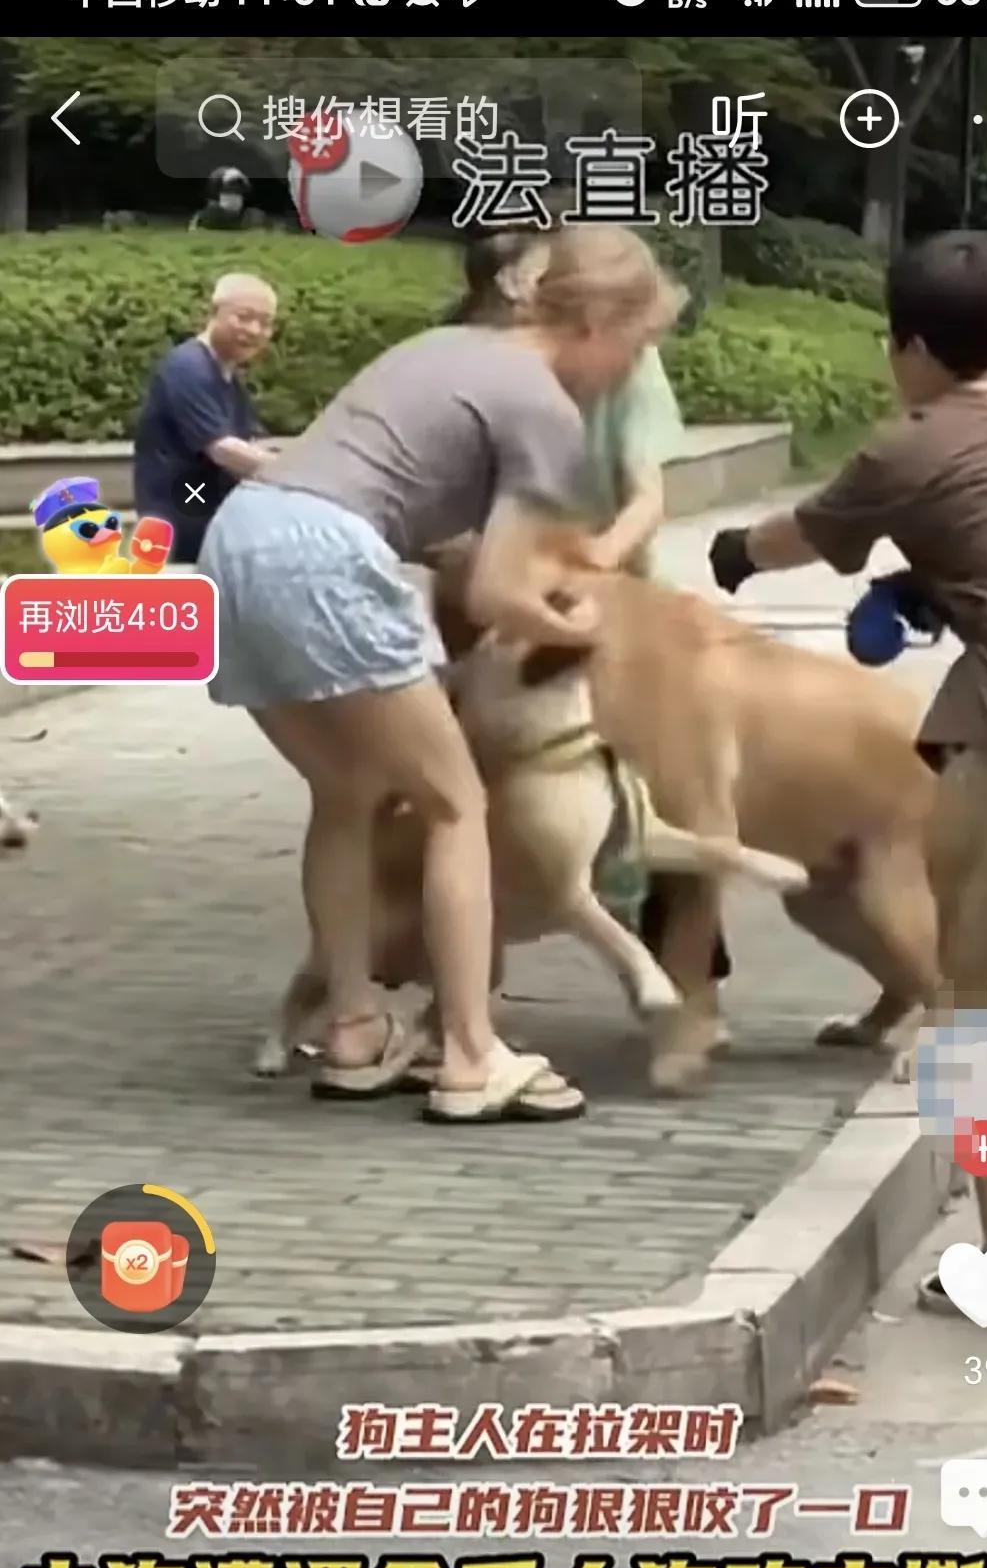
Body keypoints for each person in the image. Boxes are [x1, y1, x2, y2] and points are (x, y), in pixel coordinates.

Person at [198, 224, 681, 1122]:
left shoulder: (446, 346)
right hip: (326, 555)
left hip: (238, 540)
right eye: (640, 341)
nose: (634, 367)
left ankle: (353, 1027)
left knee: (347, 793)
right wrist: (575, 622)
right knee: (457, 803)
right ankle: (470, 1053)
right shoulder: (546, 408)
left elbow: (440, 533)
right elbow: (499, 593)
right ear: (598, 324)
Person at [709, 228, 987, 1324]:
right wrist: (945, 581)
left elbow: (795, 535)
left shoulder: (909, 449)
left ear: (911, 347)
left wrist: (730, 553)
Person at [448, 228, 685, 575]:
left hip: (600, 568)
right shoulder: (491, 364)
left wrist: (598, 557)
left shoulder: (631, 359)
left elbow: (646, 498)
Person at [133, 273, 278, 564]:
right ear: (213, 313)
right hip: (182, 527)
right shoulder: (188, 368)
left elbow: (248, 443)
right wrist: (296, 473)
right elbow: (223, 449)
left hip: (210, 524)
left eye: (265, 323)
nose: (254, 330)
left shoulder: (227, 376)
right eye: (244, 317)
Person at [190, 167, 267, 232]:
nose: (233, 193)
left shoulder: (252, 216)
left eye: (237, 190)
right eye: (230, 189)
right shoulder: (209, 214)